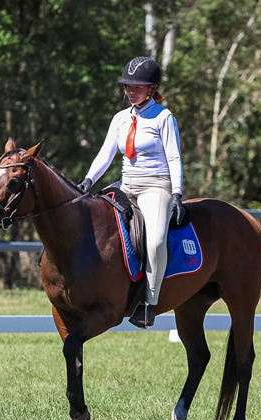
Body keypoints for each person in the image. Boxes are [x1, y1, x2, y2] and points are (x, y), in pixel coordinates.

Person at [78, 56, 186, 329]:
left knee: (155, 241)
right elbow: (106, 154)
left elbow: (174, 157)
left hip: (155, 186)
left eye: (137, 87)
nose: (131, 91)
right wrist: (89, 180)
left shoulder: (163, 117)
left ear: (152, 88)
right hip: (126, 184)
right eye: (128, 86)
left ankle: (150, 302)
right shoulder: (120, 118)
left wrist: (176, 192)